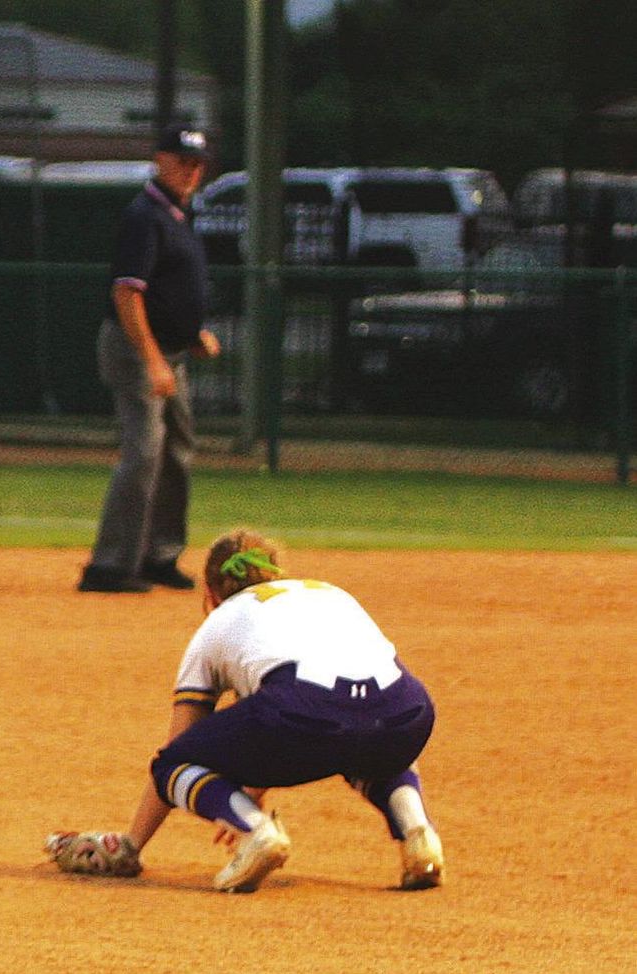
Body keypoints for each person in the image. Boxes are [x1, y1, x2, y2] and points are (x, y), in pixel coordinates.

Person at [48, 528, 446, 892]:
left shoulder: (219, 621)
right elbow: (322, 707)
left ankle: (257, 833)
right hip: (407, 713)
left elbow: (179, 748)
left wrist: (133, 844)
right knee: (367, 737)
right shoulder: (329, 592)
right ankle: (419, 835)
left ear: (211, 592)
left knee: (174, 766)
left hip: (301, 714)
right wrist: (251, 788)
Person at [77, 123, 221, 594]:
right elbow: (127, 294)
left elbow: (166, 289)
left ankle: (159, 555)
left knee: (177, 451)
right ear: (160, 159)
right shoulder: (145, 215)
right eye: (183, 161)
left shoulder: (179, 214)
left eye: (198, 163)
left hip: (170, 349)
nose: (191, 171)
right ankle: (110, 566)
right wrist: (153, 359)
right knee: (144, 452)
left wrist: (190, 332)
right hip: (137, 349)